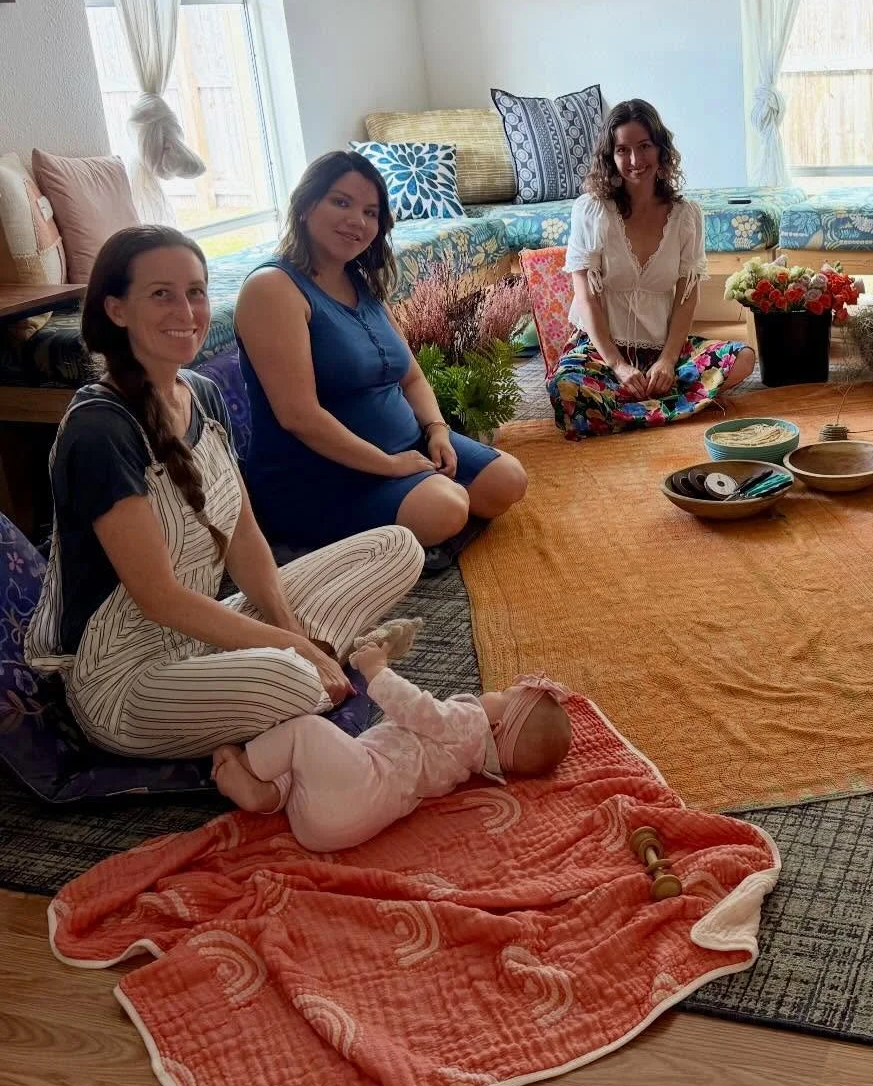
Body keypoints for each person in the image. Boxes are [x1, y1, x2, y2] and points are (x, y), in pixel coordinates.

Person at [24, 226, 426, 760]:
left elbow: (242, 536)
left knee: (396, 547)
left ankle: (307, 662)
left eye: (195, 291)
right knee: (290, 679)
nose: (186, 311)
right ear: (117, 310)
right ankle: (314, 667)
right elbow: (159, 598)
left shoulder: (203, 393)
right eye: (161, 294)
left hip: (201, 634)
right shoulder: (100, 431)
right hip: (126, 680)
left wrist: (287, 627)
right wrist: (295, 649)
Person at [235, 151, 527, 555]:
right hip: (321, 475)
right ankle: (384, 538)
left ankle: (411, 533)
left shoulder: (360, 281)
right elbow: (298, 416)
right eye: (341, 202)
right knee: (447, 508)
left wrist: (437, 430)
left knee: (508, 480)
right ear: (305, 205)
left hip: (407, 447)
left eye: (370, 212)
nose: (357, 221)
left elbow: (411, 376)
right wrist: (389, 465)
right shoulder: (272, 288)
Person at [211, 619, 574, 853]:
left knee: (307, 732)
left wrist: (377, 670)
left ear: (496, 728)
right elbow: (414, 724)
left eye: (502, 695)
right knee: (309, 768)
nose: (492, 691)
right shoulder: (468, 762)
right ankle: (269, 796)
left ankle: (249, 768)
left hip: (364, 783)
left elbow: (415, 707)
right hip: (335, 832)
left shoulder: (471, 723)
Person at [549, 99, 756, 439]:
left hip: (663, 350)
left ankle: (632, 408)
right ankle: (669, 407)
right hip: (602, 352)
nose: (635, 160)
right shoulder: (592, 211)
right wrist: (618, 366)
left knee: (743, 358)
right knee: (567, 389)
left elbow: (686, 298)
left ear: (661, 149)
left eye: (644, 146)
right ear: (610, 156)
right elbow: (586, 298)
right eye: (623, 150)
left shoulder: (686, 216)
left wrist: (668, 361)